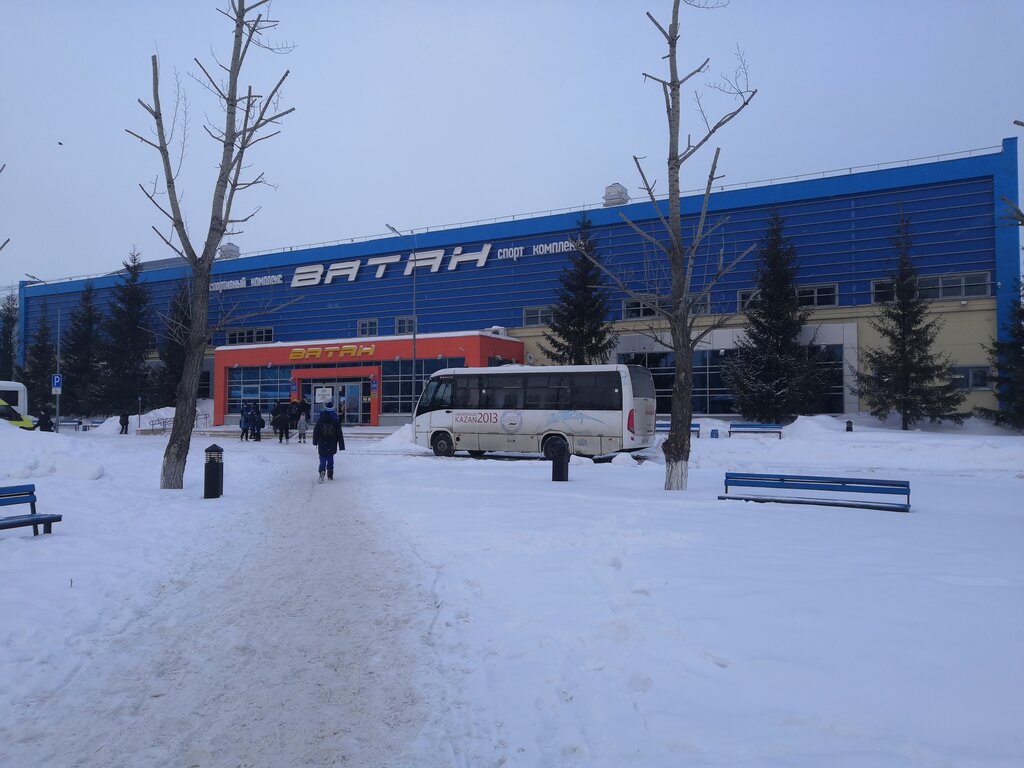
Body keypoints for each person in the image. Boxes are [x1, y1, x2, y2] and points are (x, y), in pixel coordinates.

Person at [312, 401, 345, 482]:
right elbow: (339, 433)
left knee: (322, 458)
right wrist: (341, 445)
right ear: (333, 409)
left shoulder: (321, 419)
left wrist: (315, 441)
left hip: (322, 442)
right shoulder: (335, 420)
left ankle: (322, 471)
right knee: (330, 457)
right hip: (332, 442)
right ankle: (330, 473)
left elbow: (316, 431)